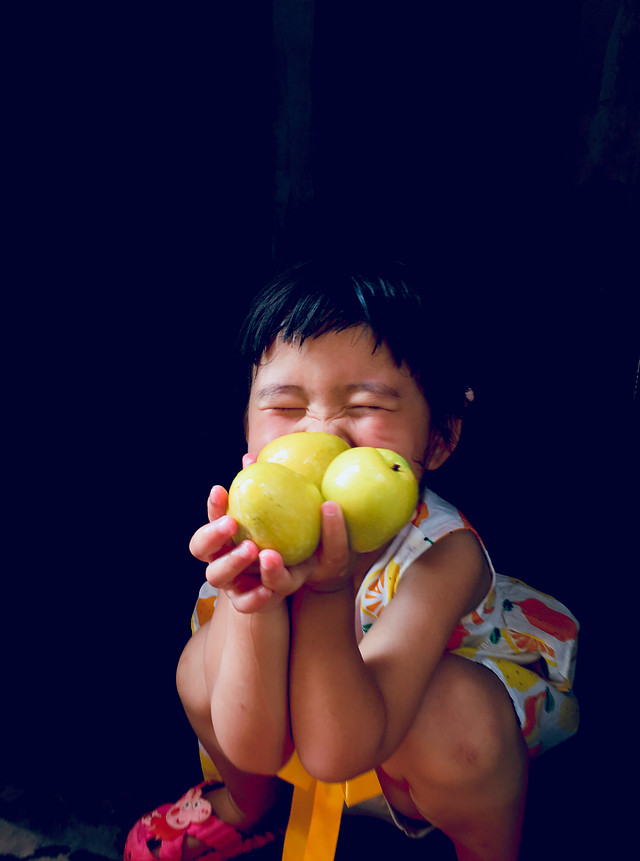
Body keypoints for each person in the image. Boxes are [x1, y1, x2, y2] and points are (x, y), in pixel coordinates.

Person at [124, 259, 579, 861]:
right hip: (289, 735)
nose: (324, 435)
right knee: (198, 664)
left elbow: (343, 749)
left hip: (402, 747)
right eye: (287, 408)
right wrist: (253, 602)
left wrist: (327, 591)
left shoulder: (446, 556)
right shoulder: (253, 536)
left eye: (366, 405)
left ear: (439, 438)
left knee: (463, 717)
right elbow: (253, 743)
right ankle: (251, 806)